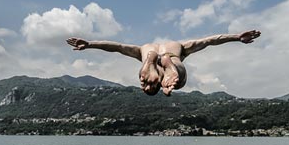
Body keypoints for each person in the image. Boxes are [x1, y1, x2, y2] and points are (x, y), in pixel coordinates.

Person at [66, 30, 261, 96]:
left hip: (149, 54)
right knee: (176, 71)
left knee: (148, 54)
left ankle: (157, 69)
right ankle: (170, 70)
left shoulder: (140, 50)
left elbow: (116, 47)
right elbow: (211, 40)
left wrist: (90, 44)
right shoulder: (182, 46)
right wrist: (236, 37)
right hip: (171, 57)